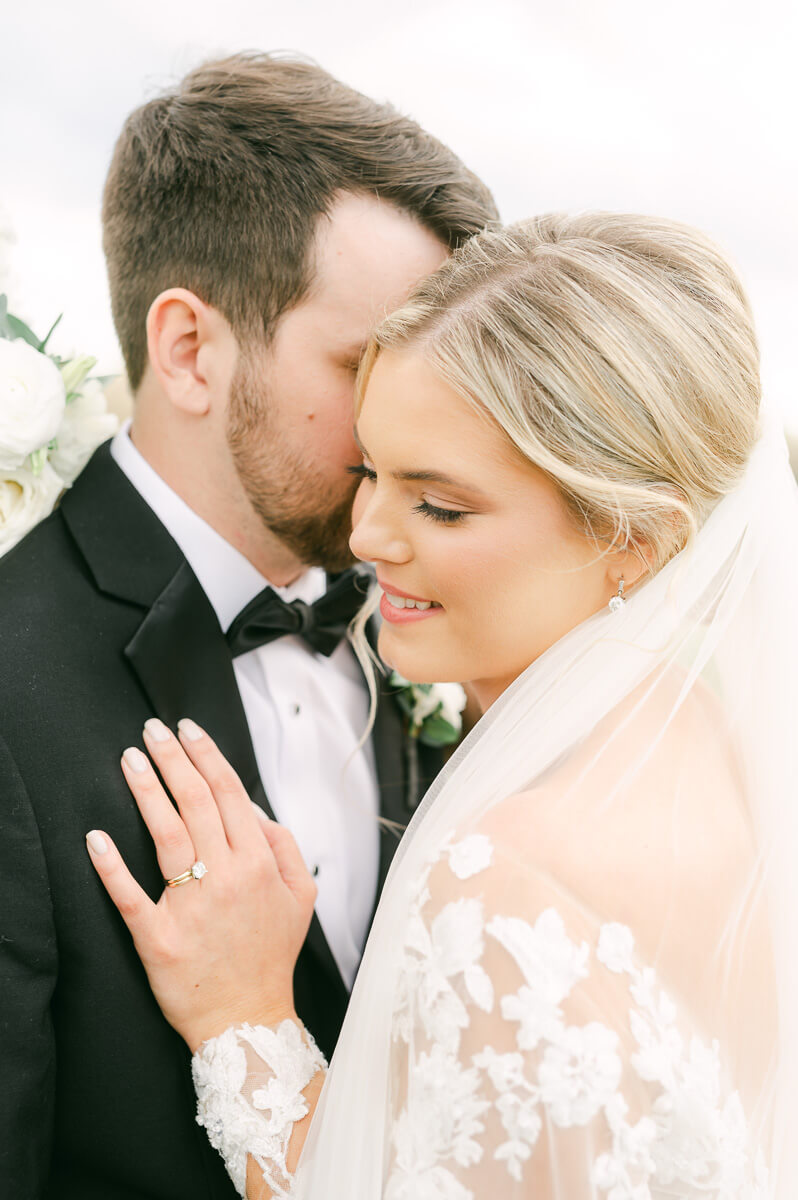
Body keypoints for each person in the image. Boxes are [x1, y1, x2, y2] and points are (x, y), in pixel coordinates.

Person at [89, 212, 798, 1198]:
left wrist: (242, 1018)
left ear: (637, 538)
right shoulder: (729, 754)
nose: (366, 534)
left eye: (442, 504)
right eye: (371, 471)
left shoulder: (504, 882)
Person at [0, 54, 497, 1199]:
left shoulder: (433, 628)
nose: (416, 426)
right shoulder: (15, 696)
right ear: (189, 351)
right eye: (368, 363)